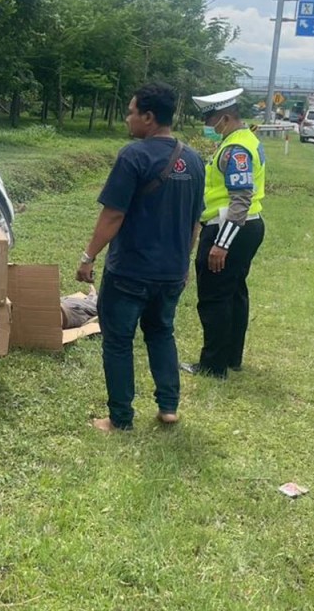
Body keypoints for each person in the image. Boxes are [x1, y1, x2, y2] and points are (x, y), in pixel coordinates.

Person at [76, 83, 205, 432]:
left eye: (132, 111)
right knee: (161, 332)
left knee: (118, 341)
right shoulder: (193, 159)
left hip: (130, 271)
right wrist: (183, 261)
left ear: (148, 118)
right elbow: (196, 219)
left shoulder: (133, 156)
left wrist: (88, 256)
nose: (127, 117)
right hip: (171, 272)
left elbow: (112, 216)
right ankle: (168, 407)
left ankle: (120, 418)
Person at [183, 88, 266, 379]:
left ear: (225, 118)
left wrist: (221, 243)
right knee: (234, 293)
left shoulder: (236, 150)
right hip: (245, 227)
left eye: (210, 120)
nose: (208, 126)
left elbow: (240, 200)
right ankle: (231, 357)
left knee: (214, 298)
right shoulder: (241, 140)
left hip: (229, 228)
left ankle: (213, 366)